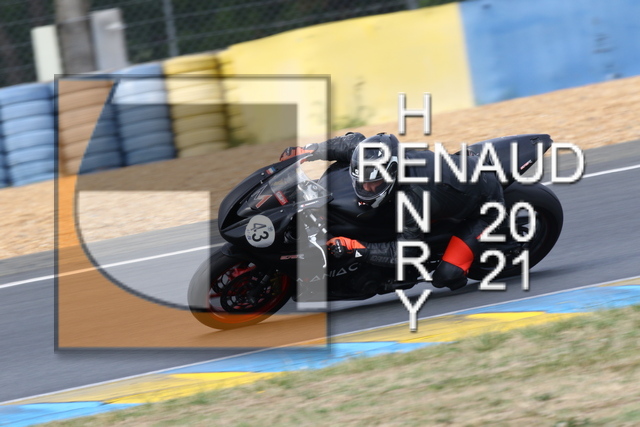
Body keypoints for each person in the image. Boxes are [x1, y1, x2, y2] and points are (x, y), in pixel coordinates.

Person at [279, 132, 505, 290]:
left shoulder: (412, 198)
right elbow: (352, 142)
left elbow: (409, 252)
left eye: (374, 183)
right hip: (454, 180)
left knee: (446, 277)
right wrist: (308, 151)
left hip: (487, 205)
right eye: (363, 181)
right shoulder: (377, 155)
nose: (367, 188)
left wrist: (357, 248)